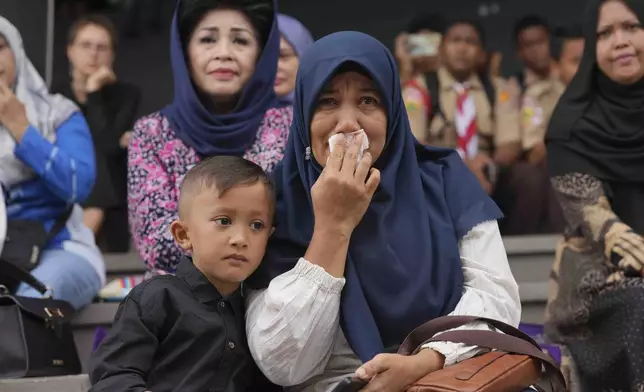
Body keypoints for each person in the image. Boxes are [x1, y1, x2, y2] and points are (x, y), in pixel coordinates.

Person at [244, 31, 521, 392]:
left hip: (444, 379)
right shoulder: (276, 201)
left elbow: (497, 299)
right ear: (303, 115)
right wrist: (333, 226)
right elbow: (284, 364)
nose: (348, 123)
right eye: (327, 102)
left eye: (368, 101)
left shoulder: (444, 180)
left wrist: (424, 361)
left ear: (392, 112)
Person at [128, 0, 291, 276]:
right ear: (185, 51)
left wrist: (205, 230)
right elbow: (154, 241)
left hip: (274, 293)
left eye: (240, 40)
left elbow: (293, 226)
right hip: (179, 301)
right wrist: (247, 233)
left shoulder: (291, 125)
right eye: (207, 39)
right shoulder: (152, 131)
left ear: (261, 54)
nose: (224, 53)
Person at [89, 156, 279, 392]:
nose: (240, 239)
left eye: (256, 225)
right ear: (183, 235)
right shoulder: (157, 298)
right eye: (224, 220)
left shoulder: (256, 312)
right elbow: (113, 375)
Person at [544, 0, 644, 390]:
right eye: (604, 34)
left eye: (631, 27)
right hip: (603, 280)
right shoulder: (571, 127)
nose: (620, 41)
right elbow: (606, 229)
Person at [0, 17, 103, 309]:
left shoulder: (58, 113)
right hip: (5, 259)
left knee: (23, 307)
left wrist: (21, 129)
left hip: (62, 251)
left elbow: (79, 185)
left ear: (16, 51)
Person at [54, 14, 141, 252]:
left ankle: (81, 235)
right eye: (85, 46)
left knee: (101, 155)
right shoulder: (53, 96)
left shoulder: (126, 95)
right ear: (70, 51)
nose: (93, 54)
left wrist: (94, 92)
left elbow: (105, 146)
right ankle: (83, 232)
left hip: (112, 194)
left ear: (112, 54)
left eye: (101, 47)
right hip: (65, 189)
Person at [394, 13, 446, 87]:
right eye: (419, 41)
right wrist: (405, 67)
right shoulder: (402, 80)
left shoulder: (454, 79)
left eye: (430, 41)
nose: (425, 48)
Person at [275, 13, 313, 106]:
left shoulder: (327, 112)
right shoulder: (237, 114)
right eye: (264, 57)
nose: (272, 67)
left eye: (283, 56)